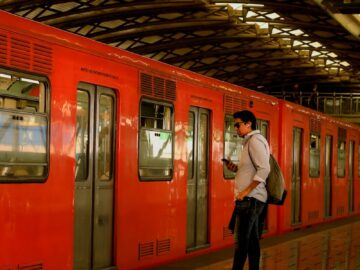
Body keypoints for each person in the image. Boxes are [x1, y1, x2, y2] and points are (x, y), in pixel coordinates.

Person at [226, 110, 270, 270]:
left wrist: (245, 192)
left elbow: (264, 169)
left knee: (241, 242)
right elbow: (252, 170)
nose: (235, 128)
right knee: (251, 242)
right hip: (251, 199)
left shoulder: (255, 141)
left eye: (238, 125)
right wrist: (236, 169)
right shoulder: (249, 142)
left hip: (251, 199)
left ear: (248, 123)